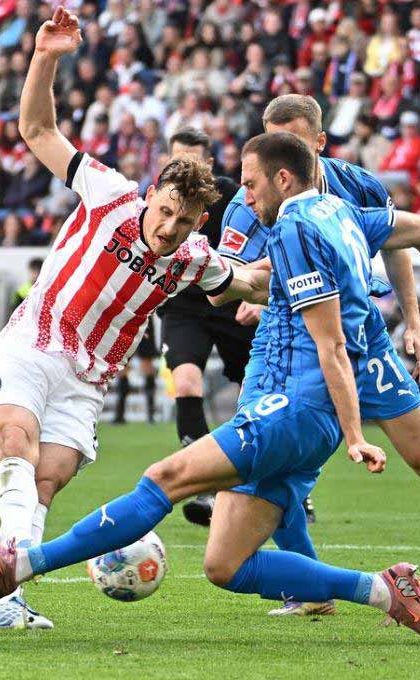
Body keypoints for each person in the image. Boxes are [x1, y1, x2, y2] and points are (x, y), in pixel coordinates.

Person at [0, 130, 420, 647]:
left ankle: (18, 565)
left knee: (165, 478)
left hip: (294, 408)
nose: (245, 198)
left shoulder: (296, 226)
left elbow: (329, 344)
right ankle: (385, 590)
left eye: (250, 185)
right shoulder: (342, 217)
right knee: (227, 565)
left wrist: (356, 433)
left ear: (282, 179)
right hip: (313, 420)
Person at [218, 94, 420, 618]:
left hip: (363, 338)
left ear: (317, 145)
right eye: (272, 141)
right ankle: (313, 589)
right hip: (289, 348)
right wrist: (266, 288)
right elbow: (223, 287)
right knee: (268, 467)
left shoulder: (354, 186)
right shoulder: (247, 201)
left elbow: (405, 243)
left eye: (294, 143)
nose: (280, 157)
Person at [0, 7, 233, 631]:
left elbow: (245, 281)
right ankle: (6, 574)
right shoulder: (109, 191)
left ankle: (6, 597)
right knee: (16, 446)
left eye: (185, 222)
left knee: (49, 481)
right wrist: (47, 56)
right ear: (153, 194)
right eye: (166, 211)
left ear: (198, 224)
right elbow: (36, 127)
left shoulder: (195, 259)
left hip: (88, 380)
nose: (170, 229)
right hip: (33, 342)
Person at [155, 127, 255, 526]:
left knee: (256, 392)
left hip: (231, 297)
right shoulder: (159, 198)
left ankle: (278, 485)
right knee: (187, 383)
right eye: (178, 160)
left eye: (194, 160)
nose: (187, 168)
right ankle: (203, 485)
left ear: (210, 164)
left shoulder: (234, 196)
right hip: (184, 304)